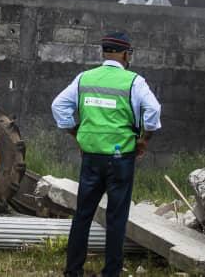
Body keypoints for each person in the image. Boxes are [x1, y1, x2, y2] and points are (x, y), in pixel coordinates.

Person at [51, 32, 161, 277]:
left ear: (104, 53)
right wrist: (144, 139)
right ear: (124, 54)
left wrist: (76, 134)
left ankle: (73, 270)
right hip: (121, 158)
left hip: (91, 157)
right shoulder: (134, 81)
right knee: (116, 217)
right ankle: (111, 272)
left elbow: (58, 105)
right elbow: (153, 109)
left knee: (83, 215)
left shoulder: (84, 78)